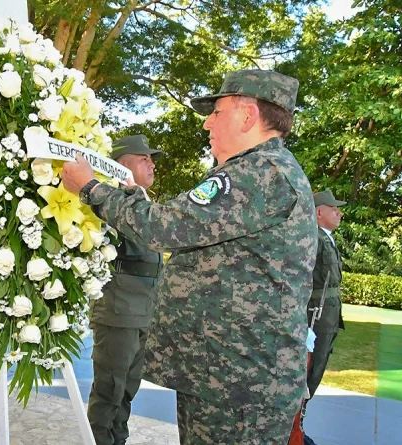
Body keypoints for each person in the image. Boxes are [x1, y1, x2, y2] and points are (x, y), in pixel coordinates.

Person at [62, 70, 318, 444]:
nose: (207, 123)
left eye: (217, 112)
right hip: (230, 374)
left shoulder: (260, 172)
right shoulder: (265, 170)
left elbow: (165, 228)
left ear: (248, 115)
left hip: (239, 384)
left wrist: (90, 188)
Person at [86, 135, 165, 445]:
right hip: (118, 311)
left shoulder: (141, 203)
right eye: (144, 158)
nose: (152, 163)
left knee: (128, 389)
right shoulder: (111, 202)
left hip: (143, 311)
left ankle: (117, 440)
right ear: (121, 165)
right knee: (110, 391)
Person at [303, 190, 346, 444]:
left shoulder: (326, 239)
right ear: (319, 212)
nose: (339, 213)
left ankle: (297, 427)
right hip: (315, 318)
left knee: (316, 371)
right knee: (308, 374)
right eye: (333, 208)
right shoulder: (314, 239)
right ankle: (292, 430)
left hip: (327, 318)